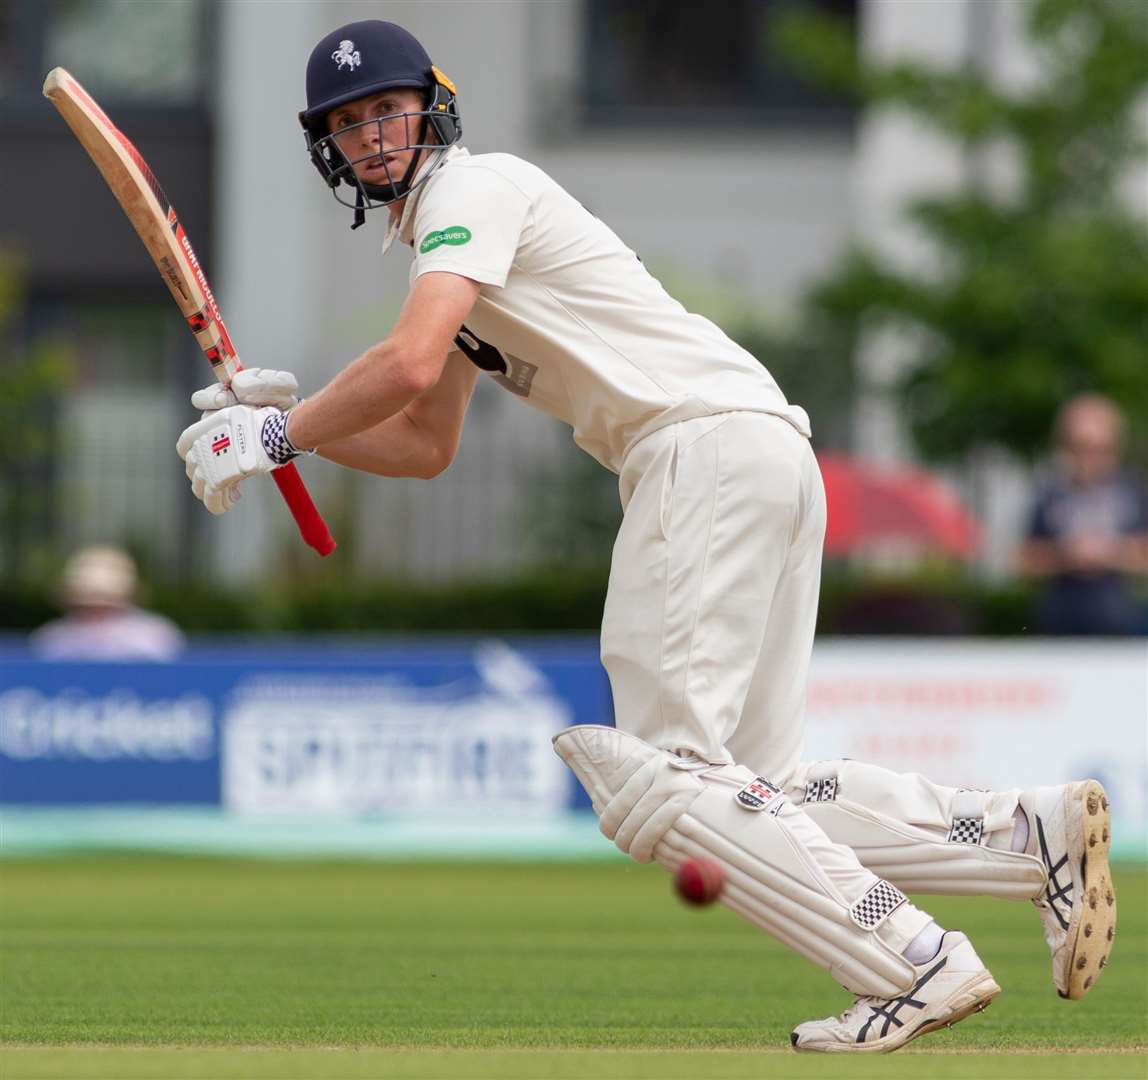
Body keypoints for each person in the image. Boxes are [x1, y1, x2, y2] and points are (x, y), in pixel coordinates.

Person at [175, 21, 1116, 1052]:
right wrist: (296, 424)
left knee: (657, 777)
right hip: (752, 447)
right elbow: (422, 439)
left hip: (698, 454)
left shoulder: (470, 191)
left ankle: (913, 961)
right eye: (348, 122)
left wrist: (270, 435)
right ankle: (1026, 838)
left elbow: (403, 365)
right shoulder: (448, 245)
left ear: (432, 104)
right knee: (757, 787)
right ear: (330, 148)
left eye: (385, 108)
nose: (370, 135)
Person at [1020, 394, 1148, 635]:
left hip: (1122, 624)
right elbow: (1026, 560)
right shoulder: (1050, 493)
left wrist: (1110, 552)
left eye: (1098, 448)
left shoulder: (1134, 493)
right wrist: (1066, 554)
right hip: (1058, 624)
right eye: (1079, 447)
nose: (1089, 458)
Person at [30, 545, 185, 661]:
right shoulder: (53, 637)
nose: (96, 613)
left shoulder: (155, 633)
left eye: (105, 606)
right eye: (88, 606)